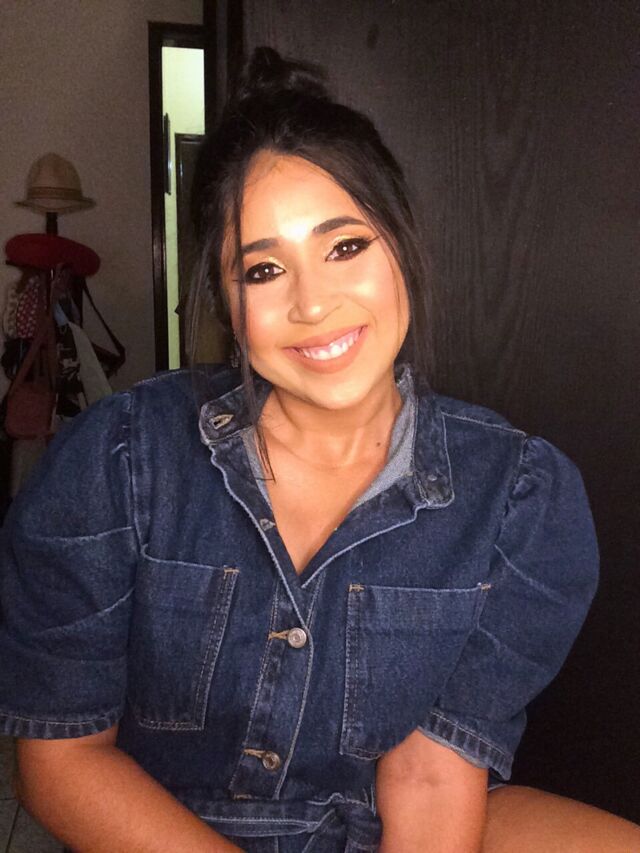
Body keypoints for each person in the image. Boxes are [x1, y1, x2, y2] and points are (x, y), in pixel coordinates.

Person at [1, 46, 638, 853]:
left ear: (399, 241)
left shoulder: (519, 495)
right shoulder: (121, 460)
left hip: (383, 821)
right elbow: (62, 761)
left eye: (345, 247)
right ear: (225, 300)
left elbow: (430, 773)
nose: (313, 303)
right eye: (264, 269)